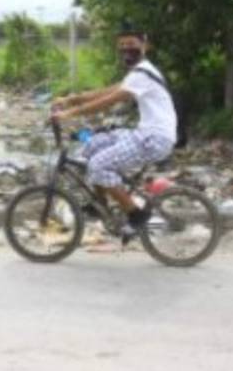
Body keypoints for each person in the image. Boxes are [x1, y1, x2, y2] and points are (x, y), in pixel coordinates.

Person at [51, 29, 177, 236]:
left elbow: (109, 101)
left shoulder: (143, 74)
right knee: (93, 144)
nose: (127, 49)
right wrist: (69, 100)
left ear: (145, 46)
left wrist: (69, 114)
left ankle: (137, 215)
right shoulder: (139, 72)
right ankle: (100, 204)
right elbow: (107, 91)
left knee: (97, 165)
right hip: (145, 133)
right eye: (122, 46)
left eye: (132, 44)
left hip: (154, 139)